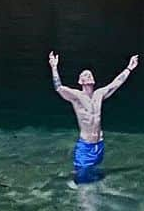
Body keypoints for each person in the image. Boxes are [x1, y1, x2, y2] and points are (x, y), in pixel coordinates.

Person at [48, 50, 139, 183]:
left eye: (90, 74)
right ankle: (78, 193)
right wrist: (54, 67)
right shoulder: (77, 97)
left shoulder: (99, 94)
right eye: (85, 75)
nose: (88, 75)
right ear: (80, 81)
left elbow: (116, 83)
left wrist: (129, 68)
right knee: (83, 183)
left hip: (99, 145)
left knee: (95, 179)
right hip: (85, 147)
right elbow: (59, 88)